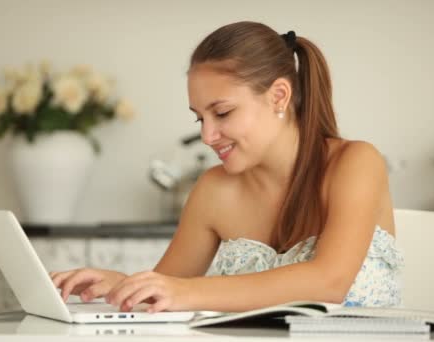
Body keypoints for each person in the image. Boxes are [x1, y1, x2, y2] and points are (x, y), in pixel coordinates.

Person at [49, 21, 403, 313]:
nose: (207, 135)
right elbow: (168, 289)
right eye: (199, 118)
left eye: (222, 113)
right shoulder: (215, 189)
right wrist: (119, 285)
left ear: (278, 96)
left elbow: (329, 283)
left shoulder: (355, 163)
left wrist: (186, 292)